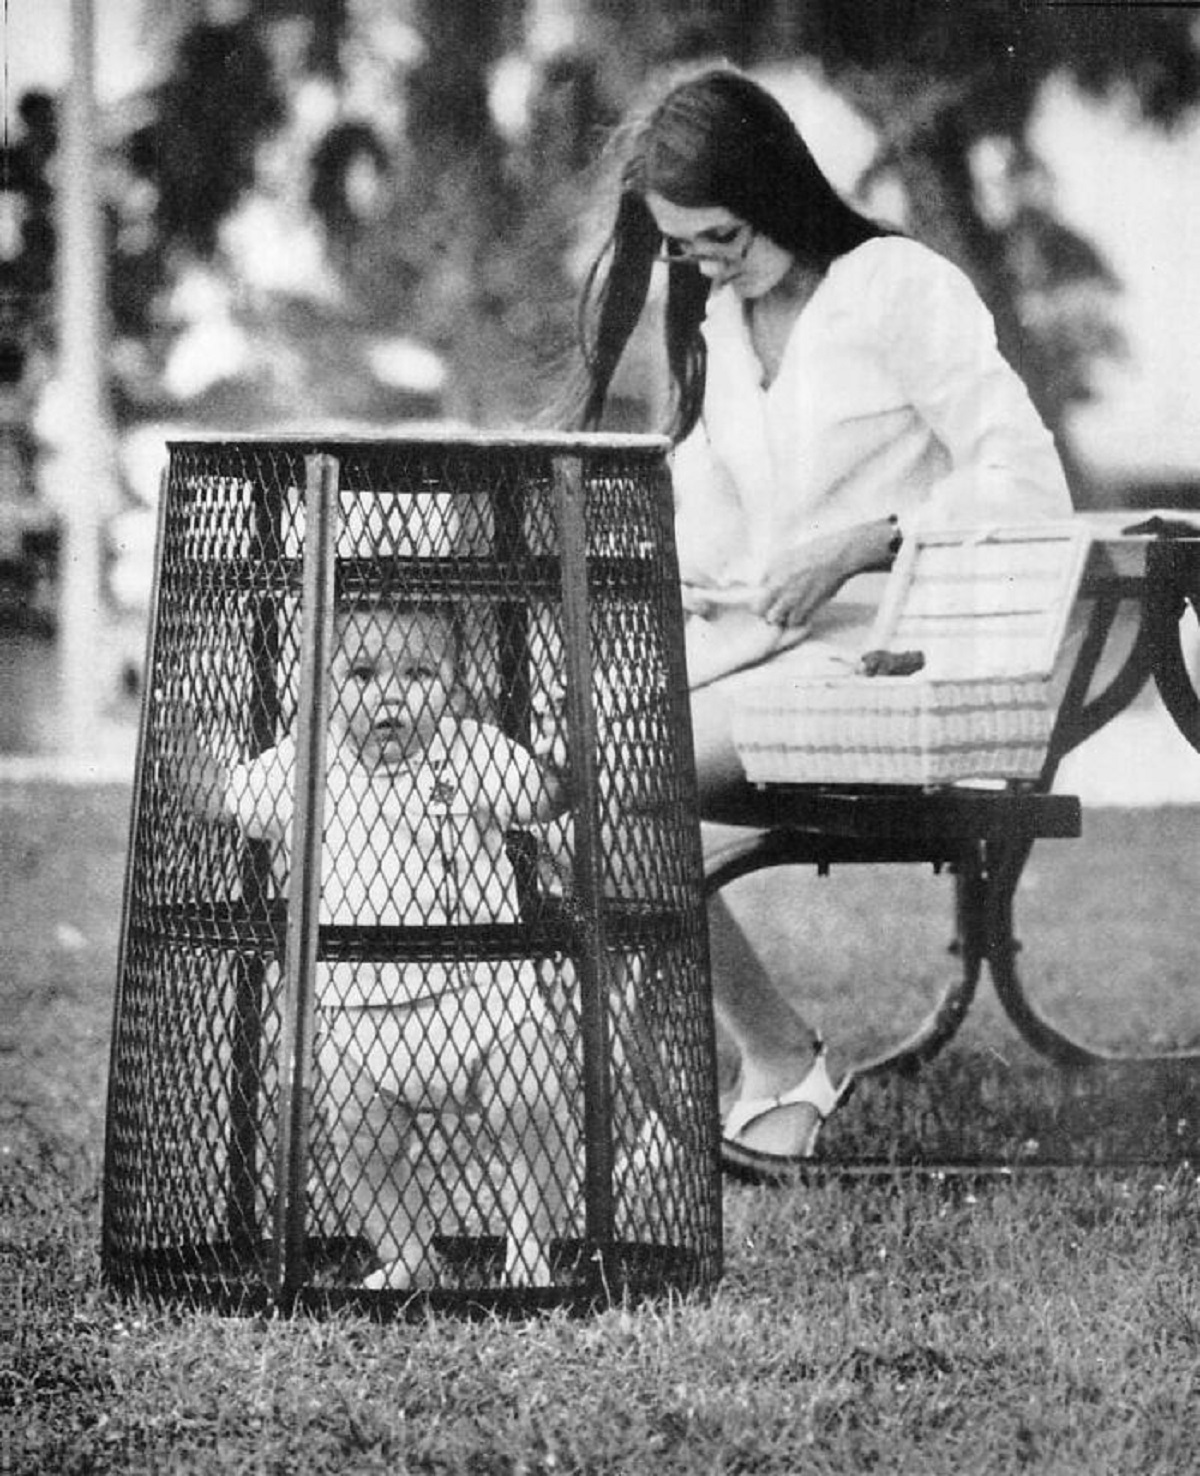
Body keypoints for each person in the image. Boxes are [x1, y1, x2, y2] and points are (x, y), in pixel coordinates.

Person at [571, 65, 1073, 1179]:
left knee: (612, 789)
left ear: (779, 187)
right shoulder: (723, 326)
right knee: (559, 783)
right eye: (684, 247)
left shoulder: (895, 287)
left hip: (903, 669)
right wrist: (694, 574)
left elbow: (1030, 483)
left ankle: (776, 1060)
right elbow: (727, 528)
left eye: (722, 234)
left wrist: (866, 538)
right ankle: (715, 1075)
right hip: (772, 660)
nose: (706, 261)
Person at [177, 593, 574, 1287]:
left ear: (454, 686)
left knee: (532, 1101)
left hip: (482, 1003)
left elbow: (542, 796)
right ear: (323, 685)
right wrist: (176, 730)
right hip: (359, 1019)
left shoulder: (473, 749)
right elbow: (220, 798)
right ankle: (408, 1256)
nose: (389, 695)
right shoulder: (307, 763)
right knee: (363, 1141)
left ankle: (530, 1254)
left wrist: (562, 754)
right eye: (361, 675)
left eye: (418, 676)